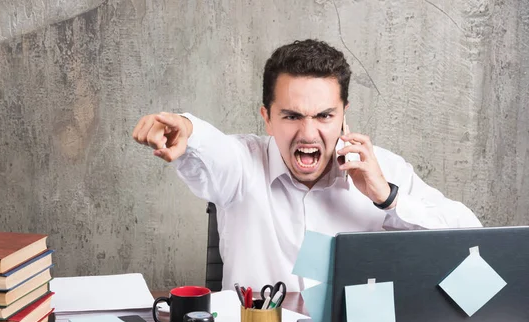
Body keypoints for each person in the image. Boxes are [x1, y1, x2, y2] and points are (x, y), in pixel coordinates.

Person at [132, 39, 482, 291]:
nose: (308, 133)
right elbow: (211, 149)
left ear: (344, 115)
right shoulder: (242, 166)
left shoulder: (382, 168)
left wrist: (387, 197)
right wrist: (186, 128)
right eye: (292, 116)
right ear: (267, 119)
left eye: (325, 116)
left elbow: (472, 241)